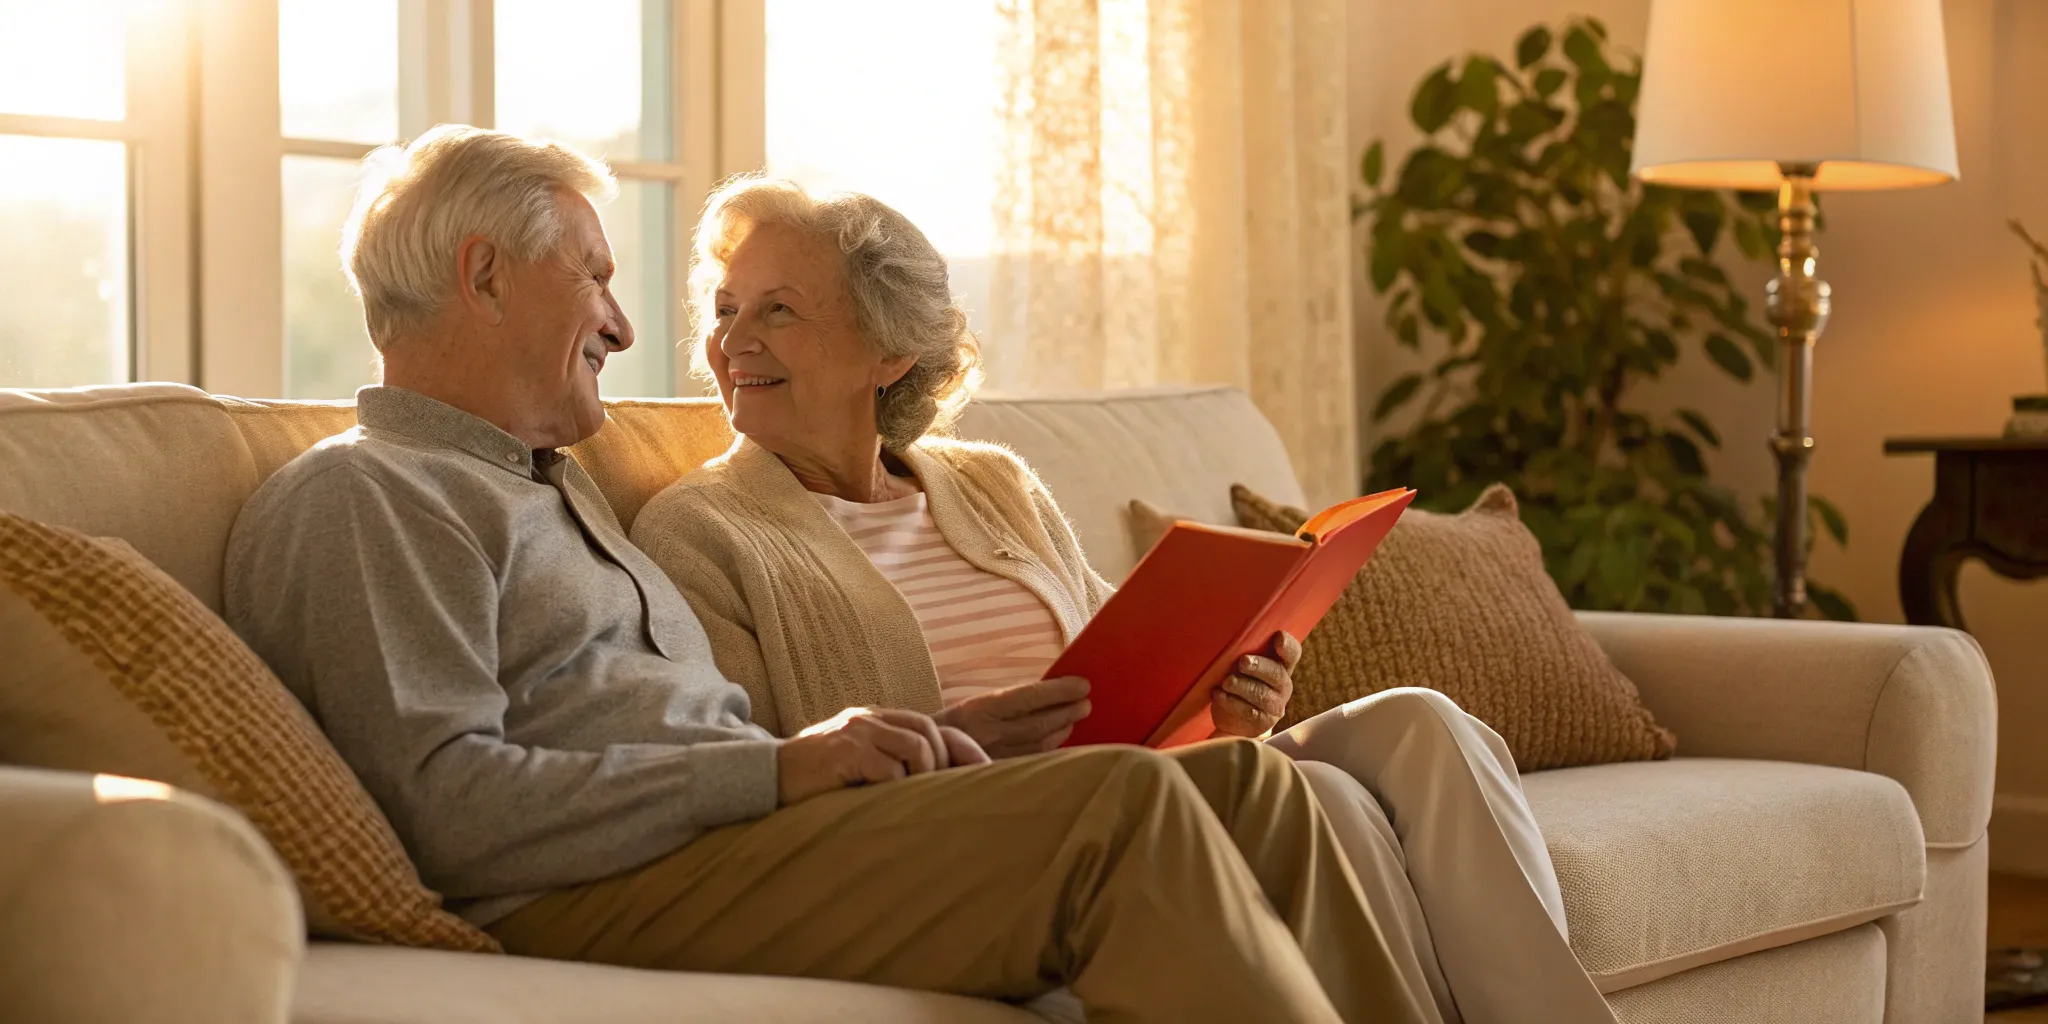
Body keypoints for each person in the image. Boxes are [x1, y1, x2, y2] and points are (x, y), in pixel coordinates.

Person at [223, 125, 1439, 1024]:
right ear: (484, 276)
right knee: (1123, 805)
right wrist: (778, 768)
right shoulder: (368, 496)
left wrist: (863, 757)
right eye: (591, 275)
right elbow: (446, 813)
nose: (624, 323)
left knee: (1254, 791)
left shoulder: (544, 484)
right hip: (599, 892)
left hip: (727, 844)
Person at [629, 175, 1618, 1024]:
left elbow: (1122, 643)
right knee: (1321, 797)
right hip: (1006, 817)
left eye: (776, 310)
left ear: (889, 353)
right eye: (722, 308)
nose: (731, 341)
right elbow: (755, 766)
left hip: (1150, 766)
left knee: (1423, 724)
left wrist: (1229, 695)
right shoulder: (703, 529)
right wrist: (954, 732)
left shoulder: (989, 482)